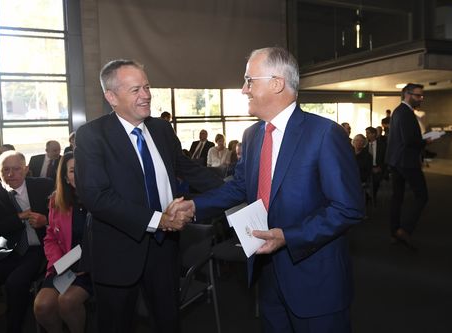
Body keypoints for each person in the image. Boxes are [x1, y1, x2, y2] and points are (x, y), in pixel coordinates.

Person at [170, 47, 364, 333]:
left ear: (277, 83)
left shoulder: (324, 134)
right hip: (267, 274)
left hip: (314, 281)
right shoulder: (252, 136)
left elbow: (348, 208)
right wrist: (195, 206)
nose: (243, 89)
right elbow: (238, 186)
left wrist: (289, 237)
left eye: (250, 80)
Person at [74, 59, 223, 333]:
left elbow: (185, 167)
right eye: (135, 90)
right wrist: (159, 219)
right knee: (116, 324)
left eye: (146, 86)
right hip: (117, 251)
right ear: (111, 97)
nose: (146, 95)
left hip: (164, 248)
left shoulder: (161, 129)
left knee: (168, 321)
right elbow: (96, 197)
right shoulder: (91, 136)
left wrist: (233, 189)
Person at [0, 150, 53, 333]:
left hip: (38, 249)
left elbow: (64, 217)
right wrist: (18, 217)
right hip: (7, 251)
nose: (11, 174)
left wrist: (46, 220)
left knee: (15, 284)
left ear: (26, 169)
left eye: (16, 169)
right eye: (5, 170)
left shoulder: (44, 186)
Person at [33, 152, 91, 333]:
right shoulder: (56, 201)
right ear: (65, 177)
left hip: (94, 266)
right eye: (73, 171)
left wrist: (87, 263)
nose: (79, 175)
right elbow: (50, 237)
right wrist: (60, 263)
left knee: (66, 302)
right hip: (66, 263)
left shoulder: (102, 199)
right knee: (42, 306)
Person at [386, 83, 430, 248]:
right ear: (407, 95)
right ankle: (404, 230)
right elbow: (409, 140)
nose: (420, 99)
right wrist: (426, 140)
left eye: (421, 96)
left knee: (397, 197)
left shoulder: (399, 111)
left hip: (396, 160)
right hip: (406, 162)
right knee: (422, 196)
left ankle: (394, 231)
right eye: (418, 95)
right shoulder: (405, 113)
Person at [365, 126, 387, 204]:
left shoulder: (382, 145)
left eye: (368, 133)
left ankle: (372, 197)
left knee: (375, 181)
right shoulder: (365, 145)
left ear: (374, 134)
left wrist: (380, 167)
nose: (366, 135)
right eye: (366, 133)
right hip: (367, 168)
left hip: (378, 167)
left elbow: (385, 158)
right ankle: (368, 196)